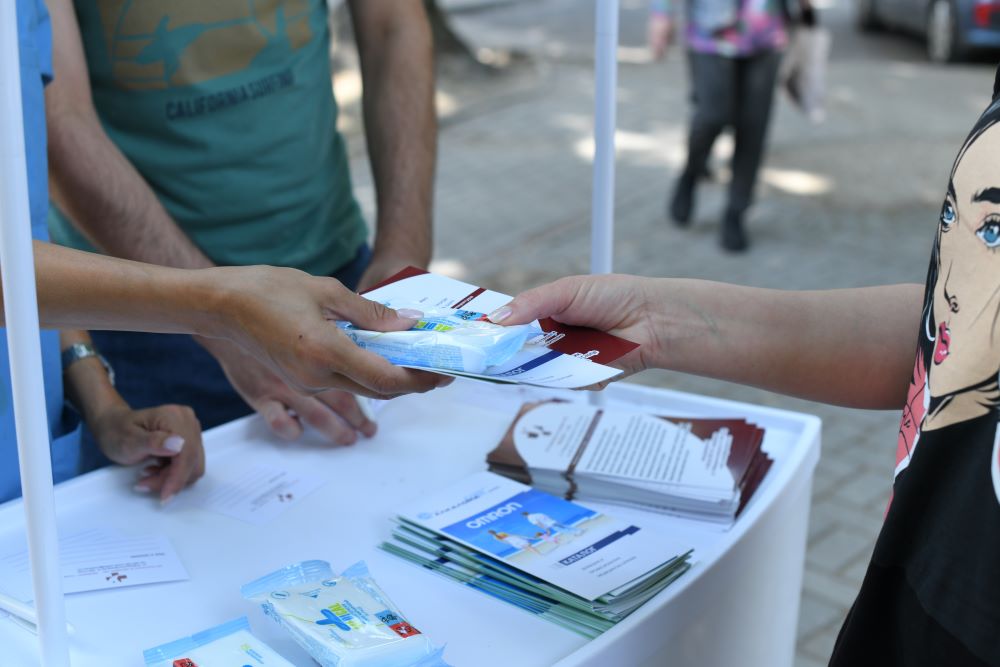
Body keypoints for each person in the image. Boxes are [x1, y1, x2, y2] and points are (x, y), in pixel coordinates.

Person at [490, 68, 1000, 665]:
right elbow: (956, 339)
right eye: (952, 219)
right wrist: (656, 321)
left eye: (992, 229)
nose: (954, 279)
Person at [4, 0, 446, 504]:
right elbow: (55, 120)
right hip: (144, 315)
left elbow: (394, 22)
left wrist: (403, 251)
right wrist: (222, 316)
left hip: (335, 273)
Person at [649, 0, 806, 252]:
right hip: (709, 32)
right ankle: (692, 171)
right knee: (711, 116)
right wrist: (661, 13)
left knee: (753, 128)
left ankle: (736, 211)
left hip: (767, 32)